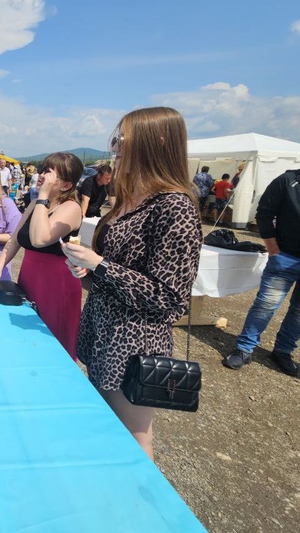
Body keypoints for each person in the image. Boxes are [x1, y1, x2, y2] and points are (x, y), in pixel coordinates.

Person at [62, 107, 202, 461]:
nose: (115, 148)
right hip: (104, 331)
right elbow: (118, 270)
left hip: (135, 343)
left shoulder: (174, 206)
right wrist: (89, 270)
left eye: (122, 140)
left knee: (134, 438)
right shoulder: (132, 196)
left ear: (154, 142)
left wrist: (101, 265)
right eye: (115, 140)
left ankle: (141, 509)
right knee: (105, 424)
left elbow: (170, 298)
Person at [223, 134, 300, 377]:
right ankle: (244, 349)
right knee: (265, 305)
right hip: (287, 257)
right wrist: (274, 250)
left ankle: (283, 351)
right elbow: (264, 214)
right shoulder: (290, 180)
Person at [0, 152, 84, 358]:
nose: (40, 176)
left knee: (52, 344)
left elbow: (41, 238)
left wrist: (42, 198)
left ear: (66, 185)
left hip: (56, 284)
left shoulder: (71, 208)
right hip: (30, 276)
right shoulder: (35, 204)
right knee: (26, 338)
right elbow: (15, 240)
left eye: (48, 174)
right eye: (42, 170)